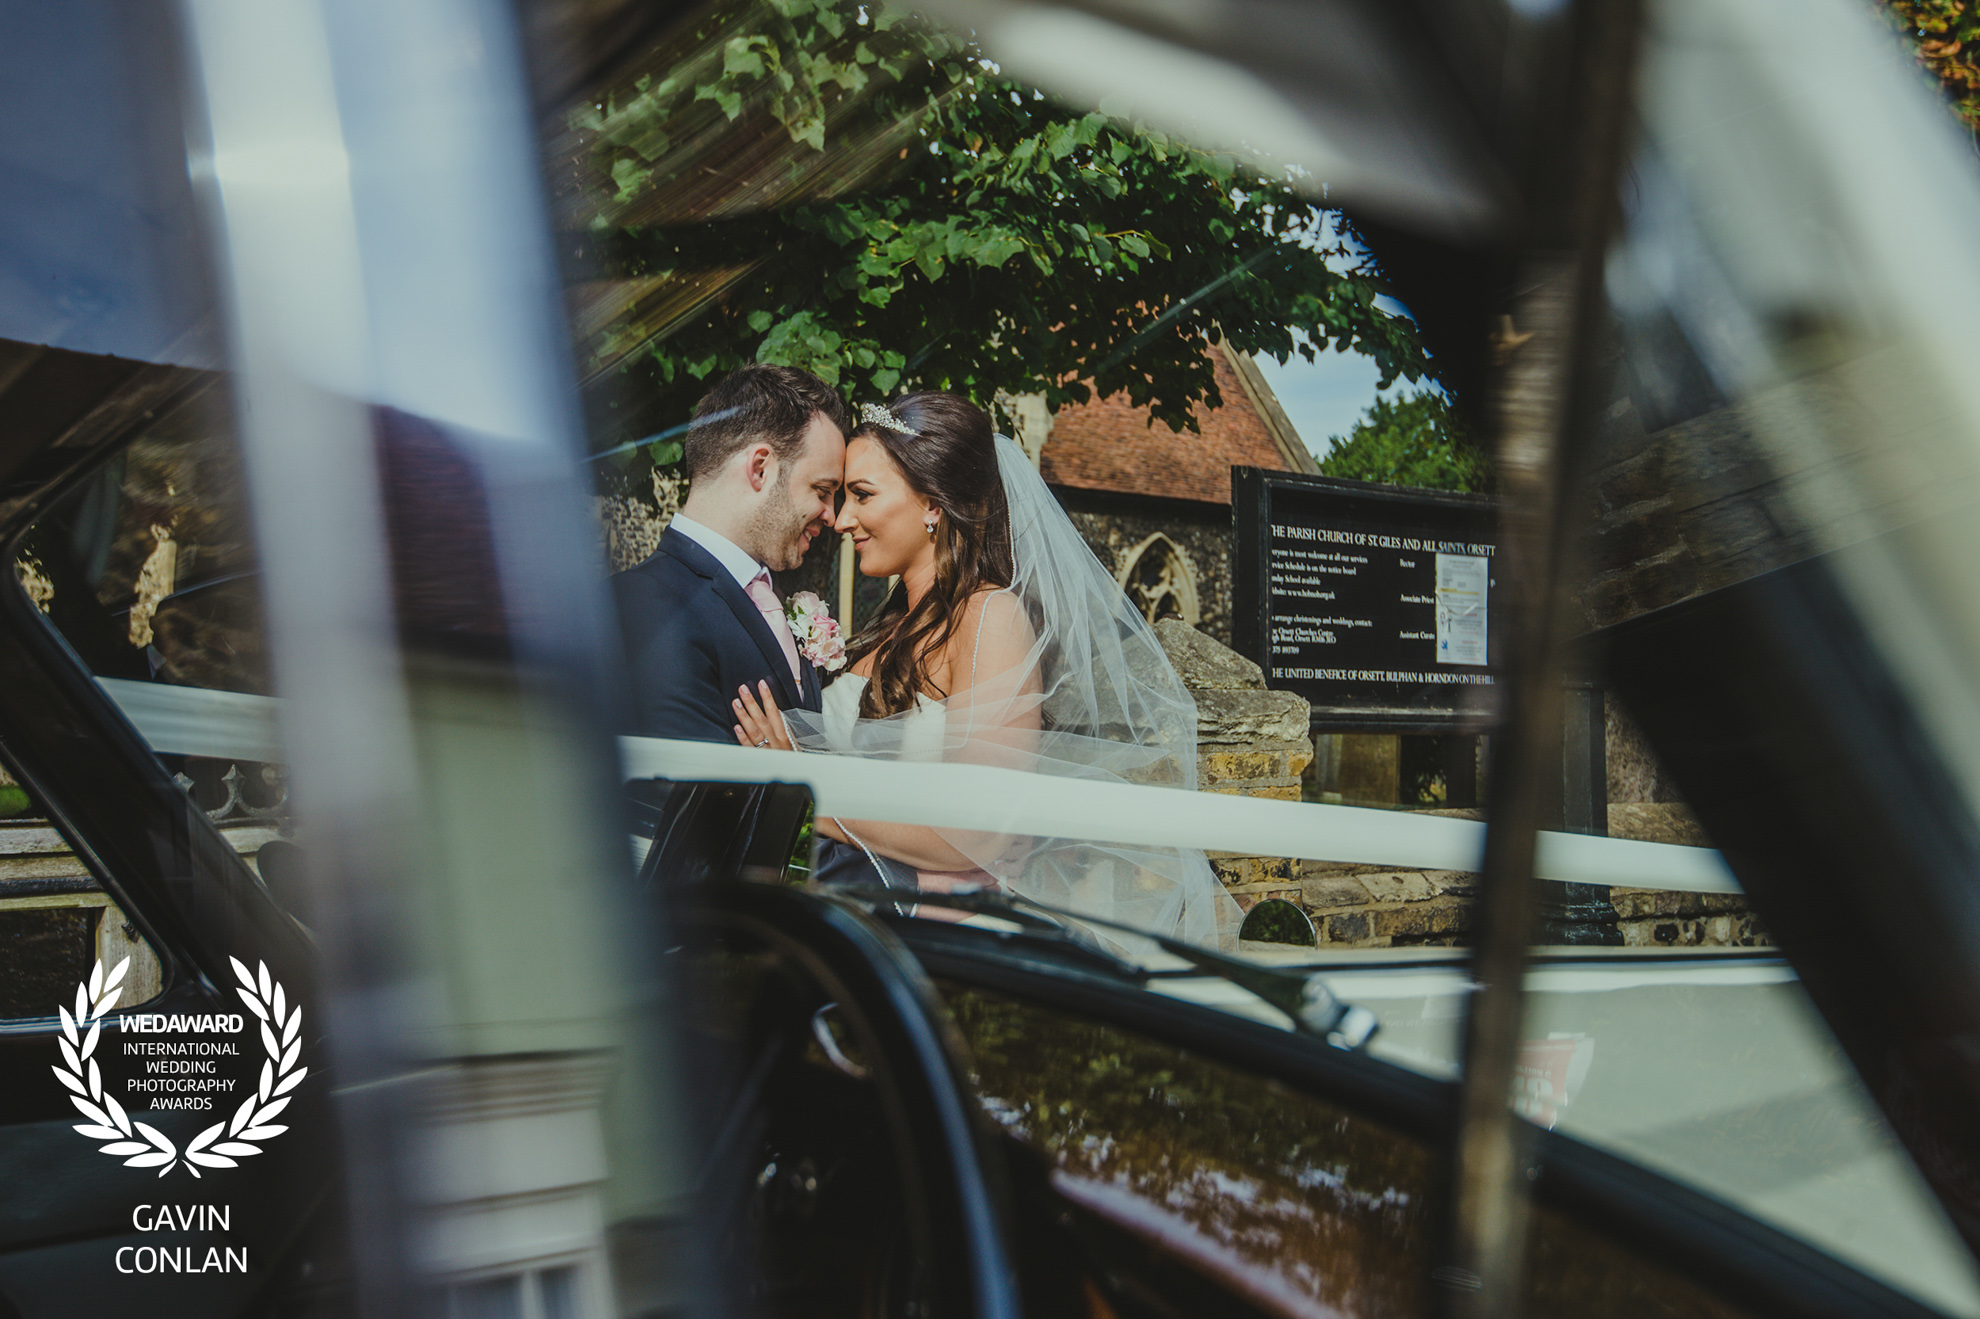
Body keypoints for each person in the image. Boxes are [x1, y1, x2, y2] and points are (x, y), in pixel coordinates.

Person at [730, 391, 1236, 947]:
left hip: (944, 940)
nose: (842, 519)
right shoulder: (892, 622)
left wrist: (803, 796)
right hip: (864, 921)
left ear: (933, 504)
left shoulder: (990, 614)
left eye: (863, 496)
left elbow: (978, 831)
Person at [613, 365, 850, 741]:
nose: (832, 516)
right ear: (760, 468)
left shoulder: (770, 599)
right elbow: (685, 791)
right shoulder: (642, 602)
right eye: (822, 490)